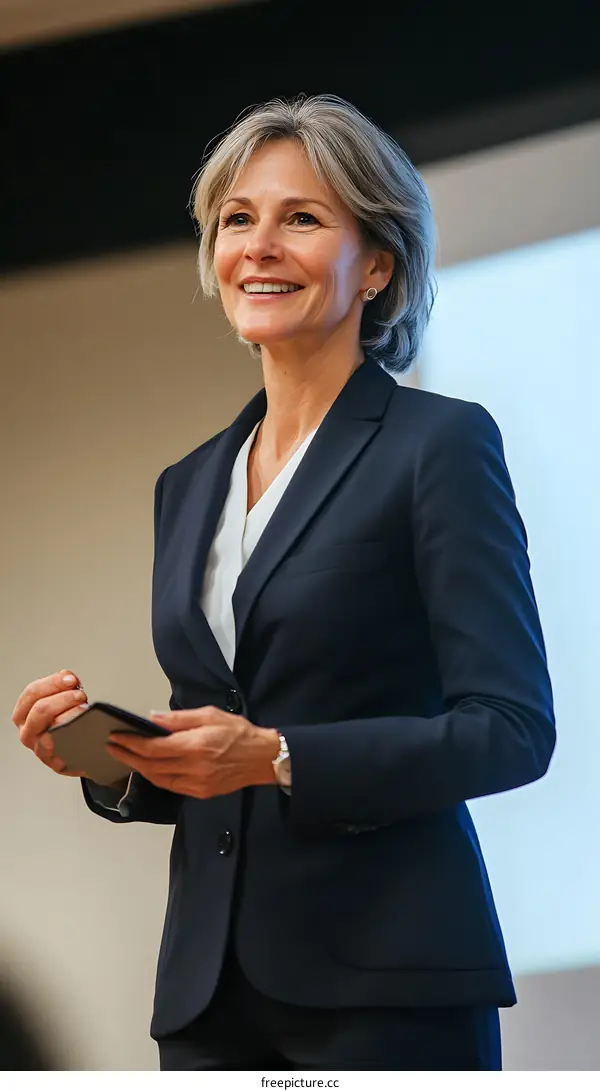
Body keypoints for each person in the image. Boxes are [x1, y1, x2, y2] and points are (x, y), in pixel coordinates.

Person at [12, 94, 555, 1071]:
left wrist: (275, 754)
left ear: (377, 265)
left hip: (389, 985)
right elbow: (213, 766)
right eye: (237, 219)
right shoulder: (185, 485)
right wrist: (108, 757)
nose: (259, 245)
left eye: (302, 218)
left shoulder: (440, 446)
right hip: (208, 999)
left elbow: (512, 731)